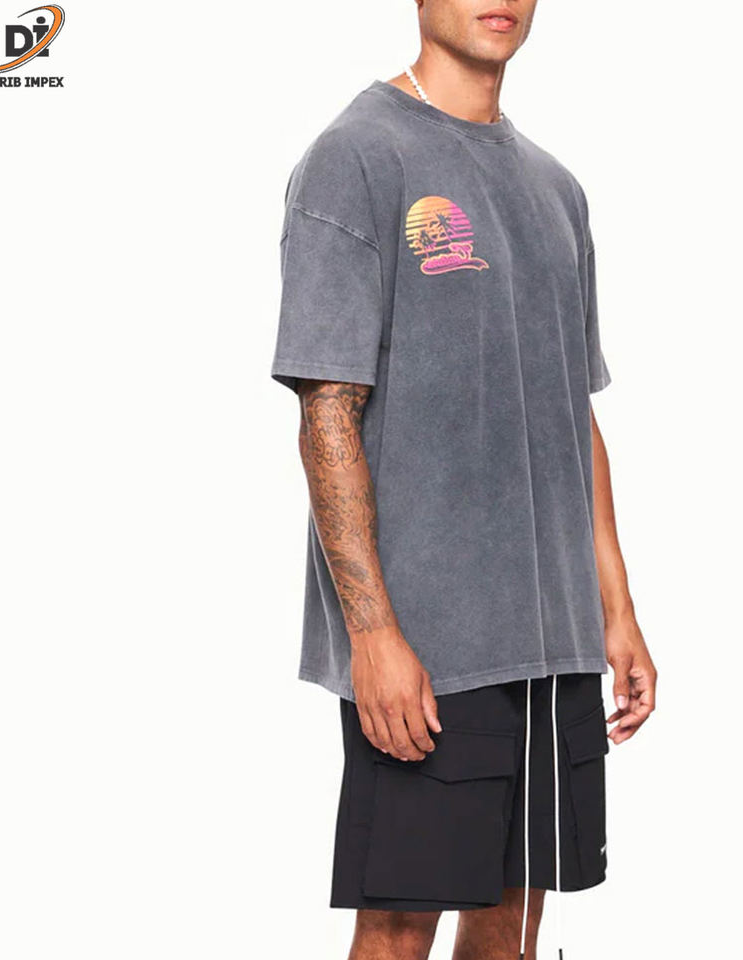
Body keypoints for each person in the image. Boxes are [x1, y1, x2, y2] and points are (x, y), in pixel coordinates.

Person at [271, 2, 657, 957]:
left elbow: (575, 414)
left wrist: (615, 611)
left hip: (555, 644)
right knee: (400, 924)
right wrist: (372, 635)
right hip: (431, 648)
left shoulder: (557, 188)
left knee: (516, 917)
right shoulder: (357, 157)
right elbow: (328, 411)